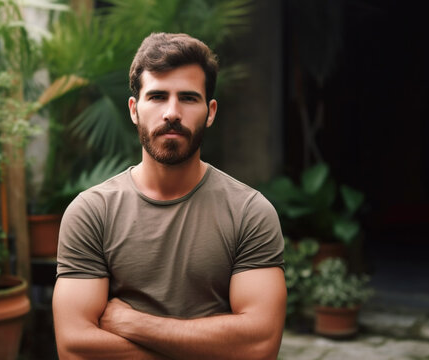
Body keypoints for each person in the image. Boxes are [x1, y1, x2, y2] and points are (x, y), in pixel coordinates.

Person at [53, 32, 286, 360]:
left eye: (189, 98)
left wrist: (131, 322)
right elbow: (75, 348)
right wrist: (207, 348)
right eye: (158, 96)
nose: (172, 112)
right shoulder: (91, 213)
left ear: (210, 111)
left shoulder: (249, 212)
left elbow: (259, 346)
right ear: (134, 109)